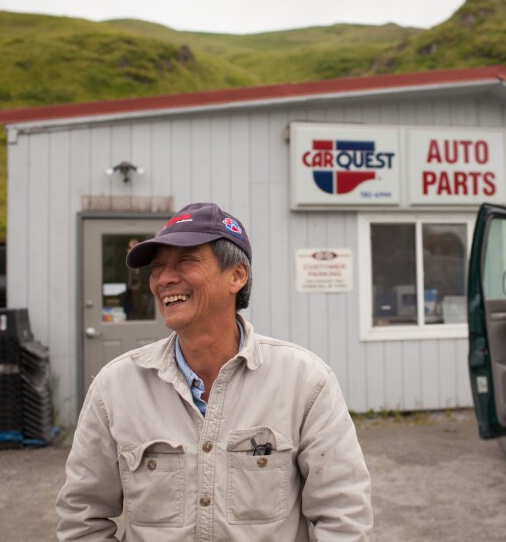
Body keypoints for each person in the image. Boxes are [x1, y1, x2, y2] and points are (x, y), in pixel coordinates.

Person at [56, 202, 373, 541]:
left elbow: (343, 516)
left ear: (237, 275)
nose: (164, 279)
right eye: (158, 267)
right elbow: (83, 516)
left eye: (186, 261)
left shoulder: (305, 382)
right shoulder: (115, 387)